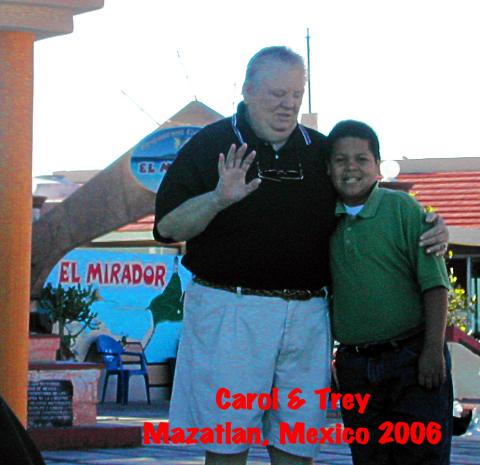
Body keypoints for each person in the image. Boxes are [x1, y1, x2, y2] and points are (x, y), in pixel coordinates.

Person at [153, 47, 448, 465]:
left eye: (296, 93)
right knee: (227, 443)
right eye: (276, 93)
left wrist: (433, 224)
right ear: (248, 90)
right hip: (230, 311)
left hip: (309, 317)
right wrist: (218, 198)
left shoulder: (321, 151)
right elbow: (167, 228)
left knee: (297, 443)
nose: (287, 103)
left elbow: (366, 198)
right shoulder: (211, 145)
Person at [327, 120, 452, 465]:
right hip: (355, 368)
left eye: (362, 159)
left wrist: (432, 350)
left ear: (379, 167)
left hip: (412, 360)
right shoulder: (322, 220)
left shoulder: (404, 209)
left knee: (422, 457)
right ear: (328, 168)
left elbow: (436, 285)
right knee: (368, 458)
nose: (351, 167)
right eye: (340, 160)